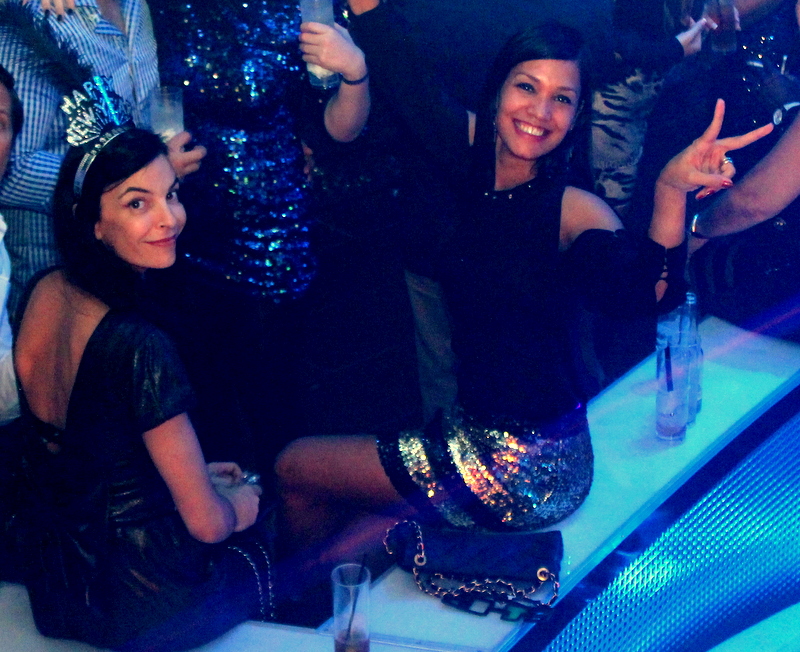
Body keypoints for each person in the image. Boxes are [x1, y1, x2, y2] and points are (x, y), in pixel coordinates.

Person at [275, 0, 772, 549]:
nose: (540, 111)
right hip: (472, 431)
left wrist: (670, 191)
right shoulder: (474, 156)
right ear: (498, 92)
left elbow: (642, 296)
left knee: (295, 467)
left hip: (526, 467)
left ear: (577, 116)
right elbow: (409, 77)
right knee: (360, 533)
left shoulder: (572, 209)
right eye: (527, 87)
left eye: (562, 98)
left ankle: (296, 598)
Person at [10, 83, 272, 650]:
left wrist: (195, 474)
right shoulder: (141, 345)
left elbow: (92, 455)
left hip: (59, 588)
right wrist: (238, 506)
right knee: (270, 534)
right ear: (92, 222)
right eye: (137, 203)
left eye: (170, 194)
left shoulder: (43, 291)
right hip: (146, 606)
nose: (168, 218)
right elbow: (206, 525)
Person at [0, 0, 204, 314]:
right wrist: (132, 176)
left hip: (129, 264)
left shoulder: (135, 7)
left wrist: (156, 168)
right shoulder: (42, 12)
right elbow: (12, 166)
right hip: (55, 270)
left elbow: (133, 128)